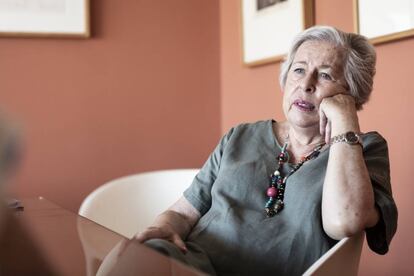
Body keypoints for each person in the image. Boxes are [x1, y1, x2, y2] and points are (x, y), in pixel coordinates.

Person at [128, 26, 397, 275]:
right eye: (299, 70)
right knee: (138, 255)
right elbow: (183, 213)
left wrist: (346, 121)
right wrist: (162, 228)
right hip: (193, 266)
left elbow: (345, 221)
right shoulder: (239, 136)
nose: (306, 85)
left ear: (351, 93)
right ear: (285, 79)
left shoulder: (363, 149)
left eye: (325, 75)